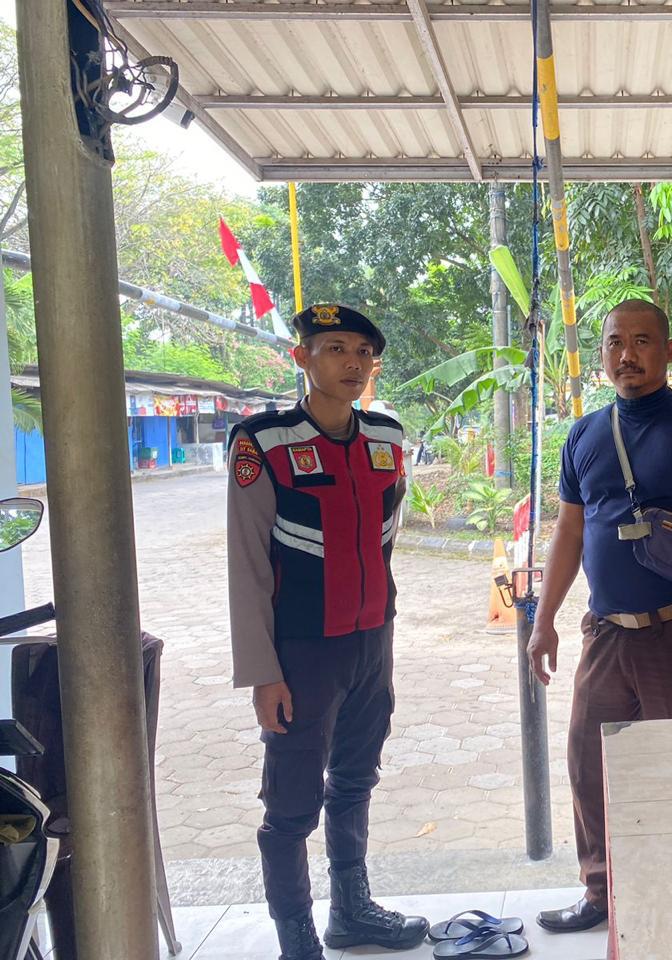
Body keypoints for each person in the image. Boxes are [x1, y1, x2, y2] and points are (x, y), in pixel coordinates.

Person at [528, 299, 672, 933]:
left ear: (669, 350)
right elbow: (570, 532)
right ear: (602, 352)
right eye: (615, 342)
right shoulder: (584, 435)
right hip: (605, 635)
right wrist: (544, 620)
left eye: (643, 341)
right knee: (589, 765)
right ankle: (602, 892)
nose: (627, 355)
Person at [227, 304, 427, 960]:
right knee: (291, 804)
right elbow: (248, 565)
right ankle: (297, 939)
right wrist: (262, 672)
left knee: (356, 779)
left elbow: (385, 535)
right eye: (335, 348)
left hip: (372, 644)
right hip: (301, 653)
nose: (352, 363)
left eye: (364, 352)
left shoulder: (387, 437)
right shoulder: (263, 442)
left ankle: (352, 911)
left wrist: (381, 634)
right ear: (302, 357)